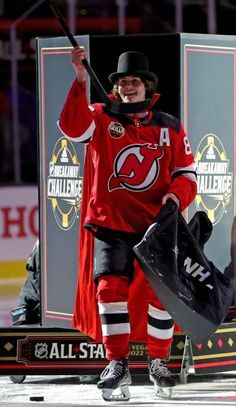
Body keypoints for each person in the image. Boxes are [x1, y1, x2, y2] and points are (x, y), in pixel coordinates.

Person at [58, 47, 197, 401]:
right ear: (116, 88)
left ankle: (158, 362)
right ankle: (116, 362)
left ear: (148, 87)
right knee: (109, 290)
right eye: (123, 82)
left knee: (159, 295)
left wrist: (175, 198)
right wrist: (79, 81)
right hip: (110, 224)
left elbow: (186, 173)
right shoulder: (101, 117)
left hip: (156, 227)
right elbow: (71, 127)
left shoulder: (169, 125)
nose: (129, 87)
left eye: (135, 81)